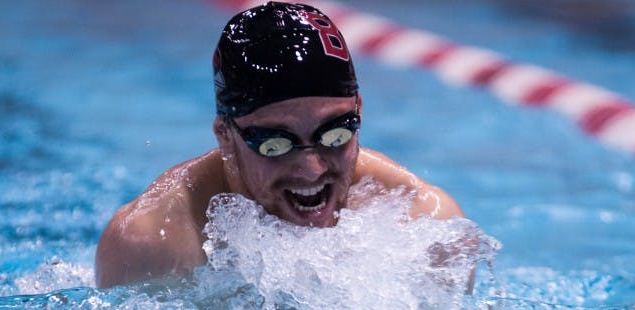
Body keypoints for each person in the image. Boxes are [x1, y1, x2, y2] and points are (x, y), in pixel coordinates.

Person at [95, 1, 465, 289]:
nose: (312, 169)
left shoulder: (426, 227)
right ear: (225, 136)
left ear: (359, 112)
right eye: (275, 144)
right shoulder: (153, 247)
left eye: (334, 135)